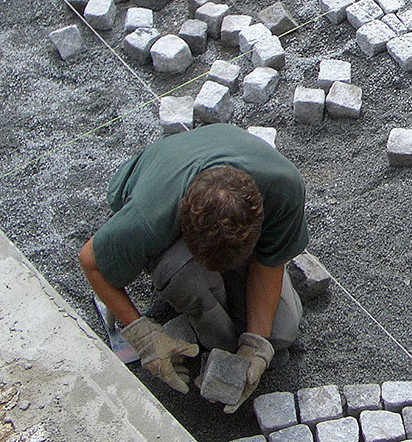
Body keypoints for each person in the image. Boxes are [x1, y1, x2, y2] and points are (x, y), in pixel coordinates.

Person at [78, 123, 307, 412]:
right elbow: (90, 262)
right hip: (160, 179)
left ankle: (225, 330)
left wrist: (256, 345)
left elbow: (269, 262)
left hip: (224, 159)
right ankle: (205, 325)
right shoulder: (149, 219)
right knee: (182, 274)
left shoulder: (284, 190)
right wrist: (144, 335)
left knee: (281, 332)